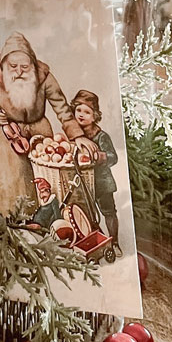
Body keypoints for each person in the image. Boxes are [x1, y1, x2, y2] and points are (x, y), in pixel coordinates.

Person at [0, 32, 99, 215]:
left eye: (25, 67)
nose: (18, 72)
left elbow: (61, 106)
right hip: (6, 131)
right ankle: (14, 223)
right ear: (3, 63)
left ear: (32, 64)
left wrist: (77, 135)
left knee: (47, 178)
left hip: (39, 129)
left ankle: (47, 221)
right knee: (12, 182)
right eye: (13, 66)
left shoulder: (43, 74)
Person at [70, 89, 122, 257]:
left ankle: (114, 242)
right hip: (83, 184)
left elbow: (114, 157)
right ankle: (92, 244)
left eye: (87, 111)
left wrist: (100, 156)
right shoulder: (74, 135)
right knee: (86, 214)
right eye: (78, 110)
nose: (81, 115)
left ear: (95, 116)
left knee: (108, 212)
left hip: (102, 182)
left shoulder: (101, 136)